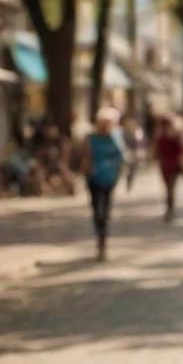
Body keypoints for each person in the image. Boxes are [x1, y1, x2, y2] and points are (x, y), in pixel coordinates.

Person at [79, 107, 126, 260]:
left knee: (105, 209)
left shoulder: (116, 137)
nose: (106, 126)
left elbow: (121, 157)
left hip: (109, 178)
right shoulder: (90, 138)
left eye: (109, 123)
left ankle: (102, 240)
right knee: (96, 208)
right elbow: (85, 156)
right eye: (103, 123)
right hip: (94, 177)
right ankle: (100, 235)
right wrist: (85, 170)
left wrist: (120, 174)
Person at [153, 114, 183, 222]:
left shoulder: (163, 136)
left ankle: (170, 208)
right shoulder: (173, 136)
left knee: (170, 188)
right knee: (170, 188)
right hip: (169, 165)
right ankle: (170, 208)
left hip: (169, 165)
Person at [120, 114, 143, 191]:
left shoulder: (137, 132)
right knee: (128, 169)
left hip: (134, 152)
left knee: (133, 169)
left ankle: (130, 182)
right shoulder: (123, 132)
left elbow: (139, 143)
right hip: (127, 152)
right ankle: (128, 182)